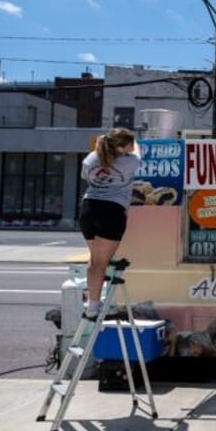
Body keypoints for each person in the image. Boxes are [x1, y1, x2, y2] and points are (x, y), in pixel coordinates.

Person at [79, 128, 141, 318]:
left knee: (95, 261)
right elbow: (138, 151)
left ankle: (92, 303)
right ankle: (94, 308)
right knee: (101, 263)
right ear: (122, 148)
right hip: (111, 210)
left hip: (88, 209)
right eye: (129, 144)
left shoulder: (90, 158)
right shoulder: (130, 160)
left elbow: (84, 177)